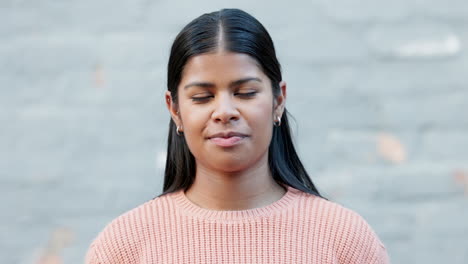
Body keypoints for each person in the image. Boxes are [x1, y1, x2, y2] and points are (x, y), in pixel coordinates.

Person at [85, 8, 390, 264]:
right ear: (174, 109)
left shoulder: (344, 240)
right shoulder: (124, 247)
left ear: (278, 100)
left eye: (245, 92)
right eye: (202, 97)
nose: (224, 111)